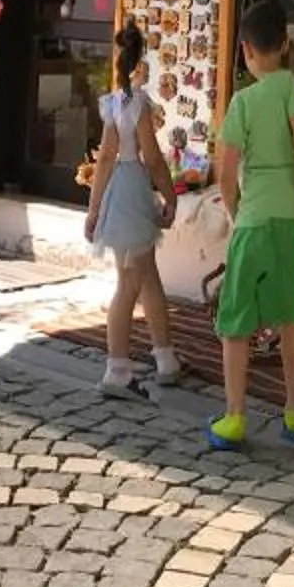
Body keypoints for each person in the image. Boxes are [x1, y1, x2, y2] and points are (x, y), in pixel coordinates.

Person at [208, 0, 294, 450]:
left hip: (253, 220)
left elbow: (225, 176)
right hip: (289, 219)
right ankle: (293, 411)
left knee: (235, 320)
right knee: (290, 317)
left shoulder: (241, 102)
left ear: (245, 49)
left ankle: (234, 417)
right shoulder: (288, 87)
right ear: (284, 45)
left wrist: (235, 215)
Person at [85, 21, 181, 397]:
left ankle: (165, 357)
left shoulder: (112, 104)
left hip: (116, 192)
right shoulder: (138, 104)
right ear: (141, 62)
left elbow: (105, 159)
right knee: (129, 283)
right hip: (133, 191)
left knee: (147, 274)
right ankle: (117, 369)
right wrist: (170, 196)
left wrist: (94, 209)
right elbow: (153, 157)